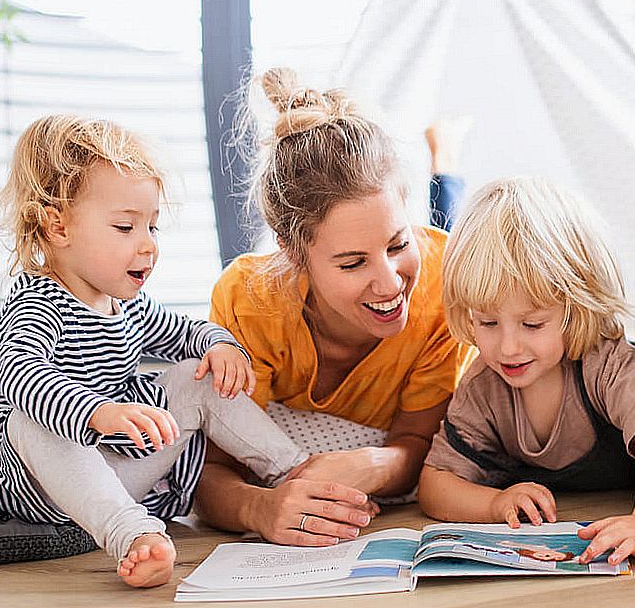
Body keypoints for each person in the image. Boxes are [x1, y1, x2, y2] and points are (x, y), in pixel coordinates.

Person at [0, 115, 316, 588]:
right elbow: (20, 376)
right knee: (29, 419)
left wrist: (218, 343)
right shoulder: (37, 305)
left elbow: (182, 331)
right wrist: (97, 413)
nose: (148, 246)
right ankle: (131, 534)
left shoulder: (122, 303)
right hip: (30, 481)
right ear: (57, 226)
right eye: (126, 227)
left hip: (109, 468)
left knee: (198, 373)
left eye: (152, 226)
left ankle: (297, 473)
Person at [199, 68, 475, 545]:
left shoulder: (441, 284)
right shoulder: (250, 299)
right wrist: (260, 508)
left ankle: (444, 156)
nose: (391, 284)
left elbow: (421, 443)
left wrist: (372, 463)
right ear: (293, 252)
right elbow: (209, 472)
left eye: (397, 243)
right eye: (352, 263)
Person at [416, 177, 635, 574]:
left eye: (532, 324)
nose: (508, 347)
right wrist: (493, 504)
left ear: (574, 309)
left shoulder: (603, 360)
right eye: (488, 322)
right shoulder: (482, 386)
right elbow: (435, 483)